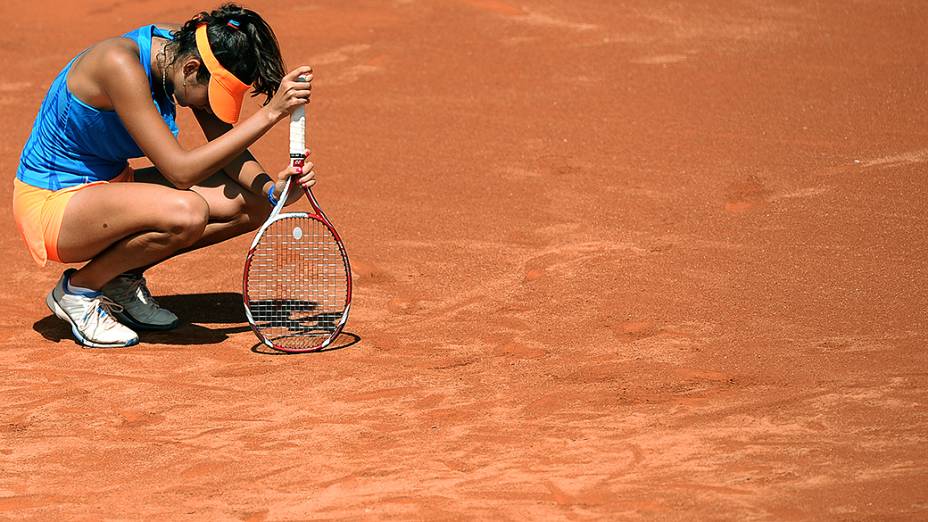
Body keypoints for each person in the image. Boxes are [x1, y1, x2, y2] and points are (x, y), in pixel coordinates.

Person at [12, 3, 316, 348]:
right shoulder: (119, 65)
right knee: (187, 212)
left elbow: (224, 144)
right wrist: (271, 113)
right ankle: (79, 290)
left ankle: (119, 276)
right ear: (191, 68)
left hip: (111, 190)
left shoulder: (190, 48)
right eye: (213, 94)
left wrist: (273, 191)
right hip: (55, 206)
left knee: (257, 205)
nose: (213, 106)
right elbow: (180, 172)